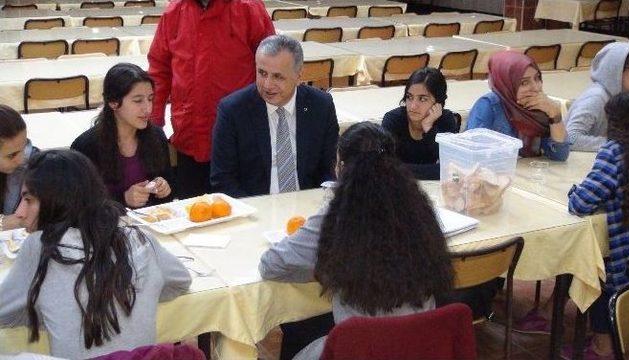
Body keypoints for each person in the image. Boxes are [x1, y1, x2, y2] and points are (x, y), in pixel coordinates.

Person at [260, 122, 453, 359]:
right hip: (419, 346)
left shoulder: (337, 216)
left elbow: (271, 264)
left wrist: (321, 267)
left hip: (361, 349)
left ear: (342, 168)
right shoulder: (419, 209)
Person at [0, 149, 191, 359]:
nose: (19, 212)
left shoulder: (39, 245)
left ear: (59, 201)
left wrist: (51, 313)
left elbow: (3, 311)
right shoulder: (139, 237)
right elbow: (181, 281)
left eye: (28, 200)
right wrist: (134, 299)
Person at [147, 0, 275, 199]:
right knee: (193, 214)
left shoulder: (248, 8)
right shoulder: (175, 12)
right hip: (189, 138)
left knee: (244, 213)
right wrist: (153, 125)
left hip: (240, 139)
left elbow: (271, 65)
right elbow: (159, 70)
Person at [210, 35, 339, 198]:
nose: (267, 85)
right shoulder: (233, 111)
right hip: (255, 210)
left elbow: (329, 170)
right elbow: (223, 181)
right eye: (262, 73)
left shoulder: (321, 106)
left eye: (278, 76)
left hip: (308, 207)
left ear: (299, 76)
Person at [566, 92, 629, 359]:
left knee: (596, 272)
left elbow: (582, 202)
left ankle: (603, 345)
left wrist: (572, 192)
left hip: (627, 255)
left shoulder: (615, 151)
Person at [71, 63, 173, 209]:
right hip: (107, 227)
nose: (148, 108)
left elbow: (169, 193)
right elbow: (80, 204)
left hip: (151, 225)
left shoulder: (156, 136)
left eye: (150, 99)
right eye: (138, 101)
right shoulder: (86, 146)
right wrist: (123, 199)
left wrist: (164, 188)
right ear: (113, 102)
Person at [466, 51, 570, 161]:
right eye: (524, 83)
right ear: (506, 83)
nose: (535, 88)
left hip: (530, 175)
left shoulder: (541, 107)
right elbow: (474, 156)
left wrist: (555, 115)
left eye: (537, 78)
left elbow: (560, 155)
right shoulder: (489, 106)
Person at [382, 67, 459, 180]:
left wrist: (429, 128)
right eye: (409, 97)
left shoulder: (446, 120)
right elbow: (384, 167)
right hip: (398, 188)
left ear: (438, 103)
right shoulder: (393, 120)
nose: (413, 106)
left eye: (422, 99)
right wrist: (435, 170)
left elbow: (452, 169)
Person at [565, 43, 629, 152]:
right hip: (587, 165)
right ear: (617, 70)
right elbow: (571, 138)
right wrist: (618, 145)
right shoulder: (596, 98)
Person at [0, 104, 38, 231]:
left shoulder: (35, 162)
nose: (21, 160)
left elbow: (40, 215)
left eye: (24, 147)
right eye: (12, 155)